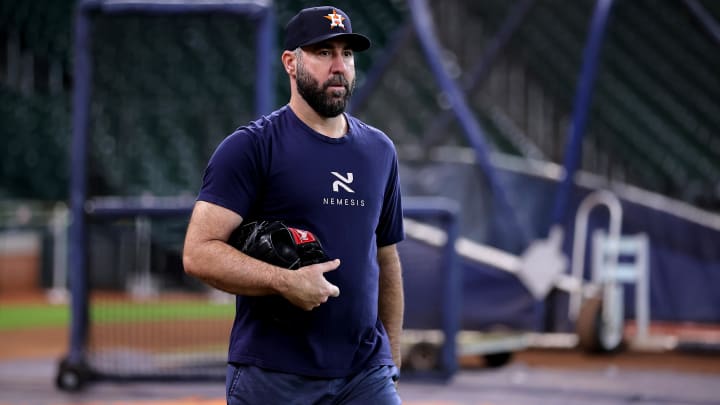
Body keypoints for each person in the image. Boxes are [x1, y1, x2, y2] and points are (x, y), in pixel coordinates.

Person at [182, 6, 405, 404]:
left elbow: (386, 258)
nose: (339, 66)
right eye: (324, 52)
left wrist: (392, 360)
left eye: (347, 54)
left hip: (365, 374)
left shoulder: (379, 151)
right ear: (291, 61)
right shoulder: (251, 147)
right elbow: (198, 252)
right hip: (274, 376)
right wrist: (284, 281)